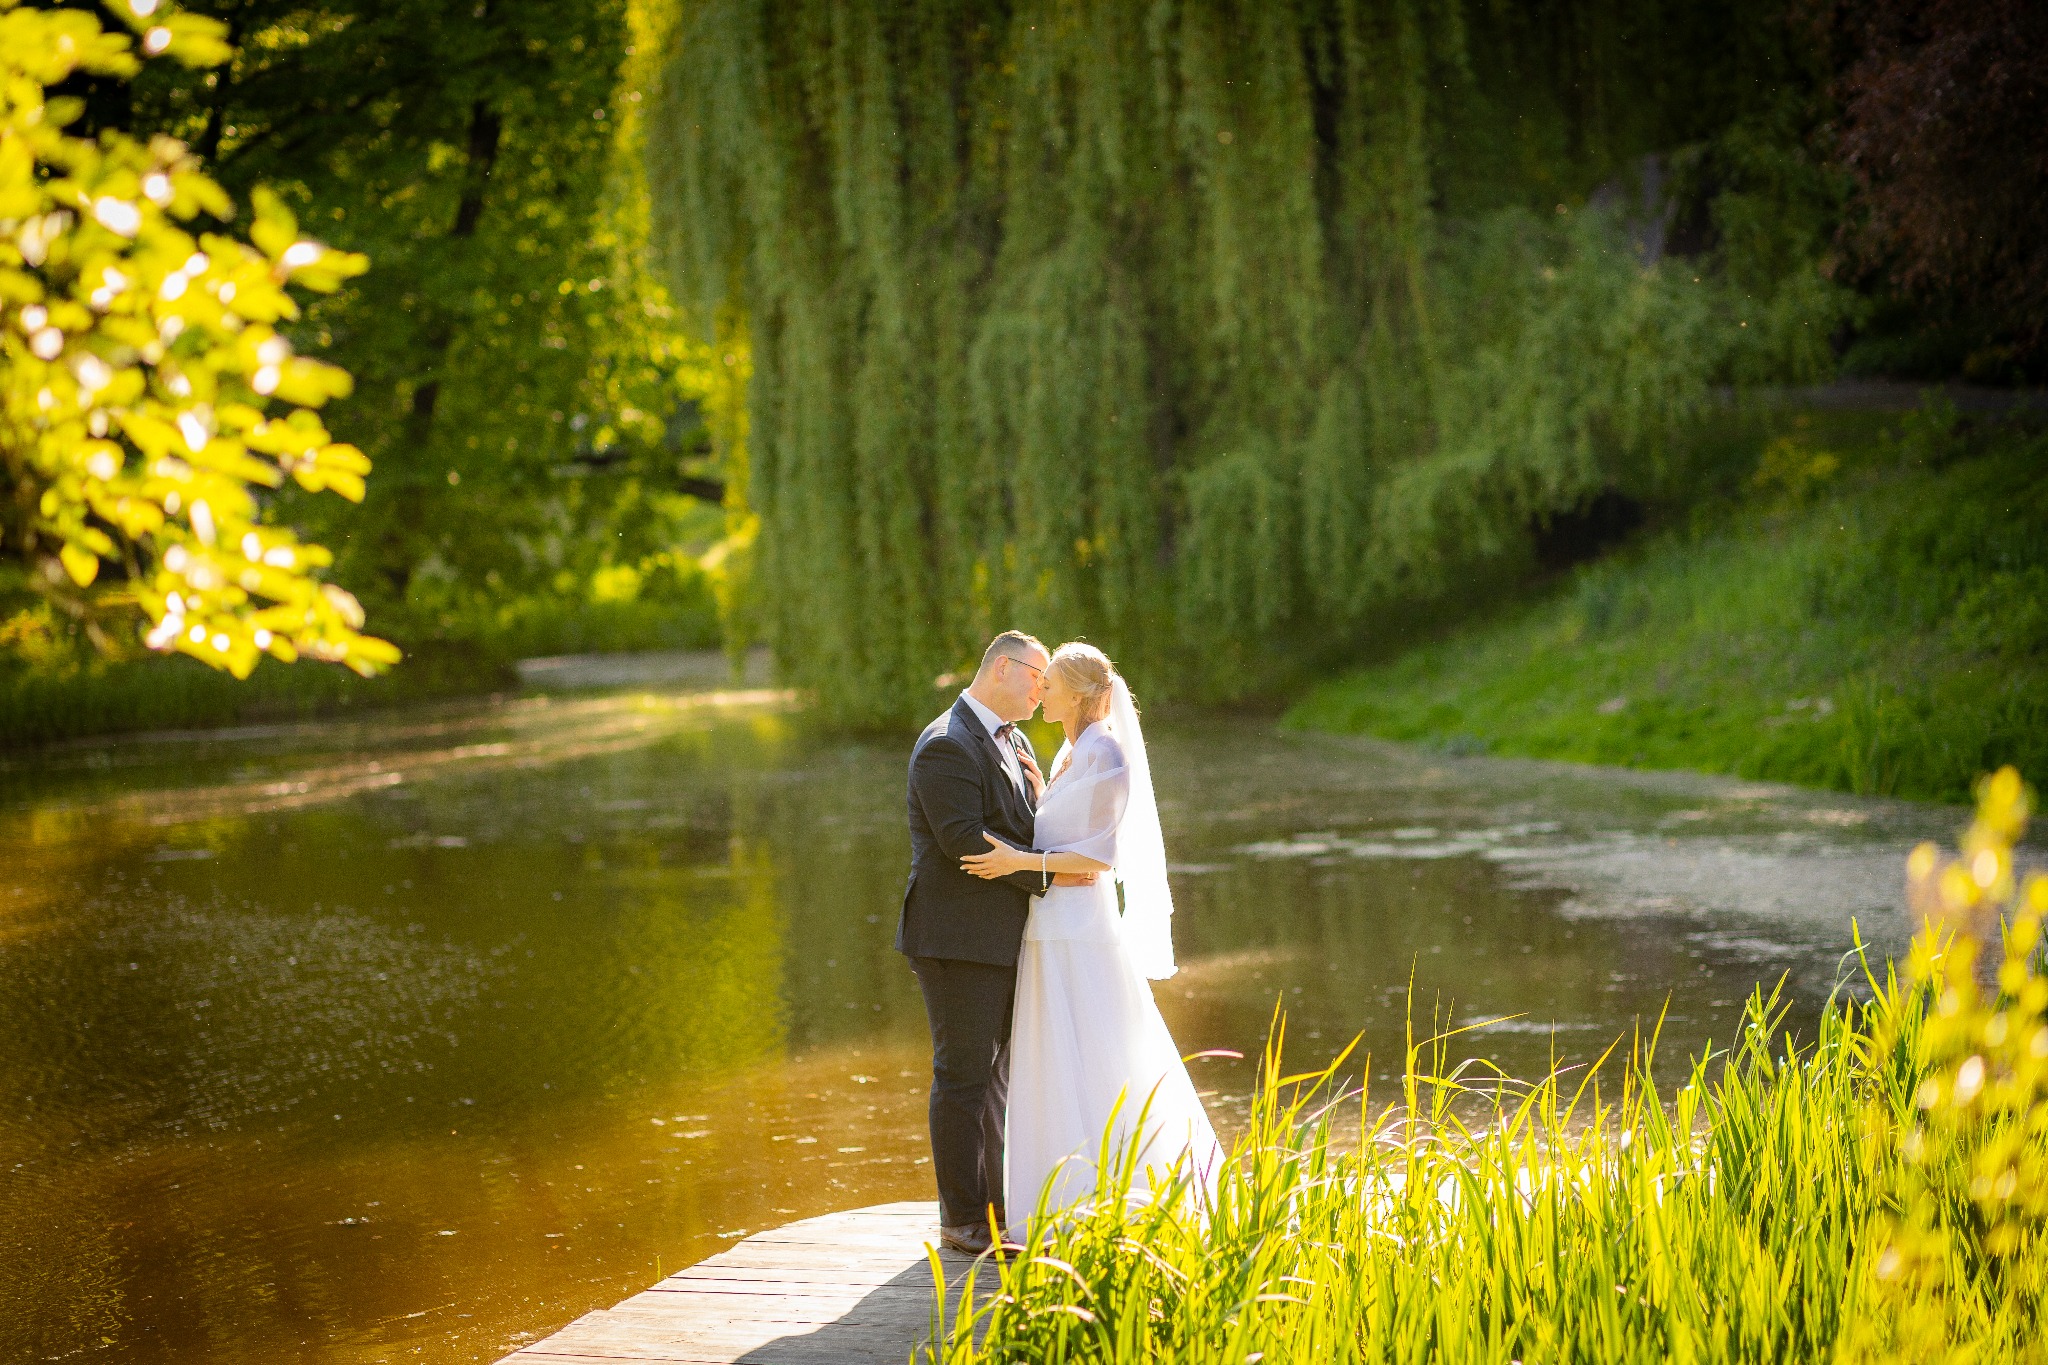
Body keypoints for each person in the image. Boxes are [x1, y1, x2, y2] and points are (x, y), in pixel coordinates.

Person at [960, 642, 1221, 1226]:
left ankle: (1139, 1188)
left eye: (1047, 685)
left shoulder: (1108, 754)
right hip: (1050, 923)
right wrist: (1037, 793)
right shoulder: (1068, 755)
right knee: (1055, 1053)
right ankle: (1066, 1195)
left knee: (1101, 1050)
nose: (1038, 693)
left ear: (1075, 694)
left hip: (1082, 930)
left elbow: (1098, 858)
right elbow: (1061, 832)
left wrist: (1015, 863)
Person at [898, 630, 1096, 1255]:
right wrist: (1055, 872)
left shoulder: (1009, 740)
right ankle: (961, 1220)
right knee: (962, 1075)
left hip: (1000, 936)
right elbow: (967, 846)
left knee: (997, 1077)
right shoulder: (947, 746)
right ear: (1004, 669)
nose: (1045, 689)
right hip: (956, 940)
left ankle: (994, 1209)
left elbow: (1021, 827)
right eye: (1039, 676)